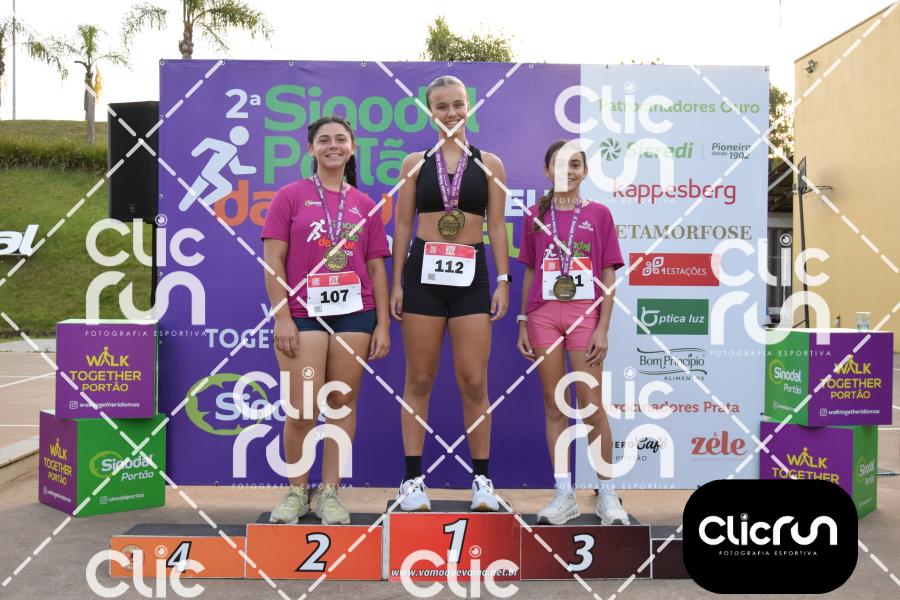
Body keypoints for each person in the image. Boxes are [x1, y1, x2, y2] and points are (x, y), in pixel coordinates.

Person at [261, 115, 391, 524]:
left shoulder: (365, 204)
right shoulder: (290, 196)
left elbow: (377, 268)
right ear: (311, 149)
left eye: (340, 139)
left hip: (355, 313)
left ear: (352, 148)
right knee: (302, 409)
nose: (333, 145)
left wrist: (382, 324)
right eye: (324, 140)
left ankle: (330, 492)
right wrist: (282, 317)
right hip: (303, 314)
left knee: (340, 403)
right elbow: (273, 260)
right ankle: (297, 491)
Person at [390, 75, 511, 511]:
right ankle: (411, 481)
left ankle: (482, 480)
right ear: (430, 112)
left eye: (458, 104)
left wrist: (503, 279)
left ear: (469, 106)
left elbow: (497, 225)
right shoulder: (414, 164)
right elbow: (403, 224)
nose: (451, 113)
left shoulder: (490, 164)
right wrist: (397, 282)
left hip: (471, 278)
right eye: (441, 106)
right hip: (422, 276)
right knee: (419, 379)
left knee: (474, 381)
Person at [516, 140, 629, 525]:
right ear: (547, 171)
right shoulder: (535, 215)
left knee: (592, 405)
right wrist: (523, 320)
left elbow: (608, 274)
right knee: (554, 406)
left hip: (585, 315)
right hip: (543, 316)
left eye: (575, 164)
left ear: (585, 171)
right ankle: (563, 494)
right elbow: (530, 271)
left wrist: (603, 327)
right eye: (560, 164)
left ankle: (607, 494)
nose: (568, 170)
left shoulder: (599, 214)